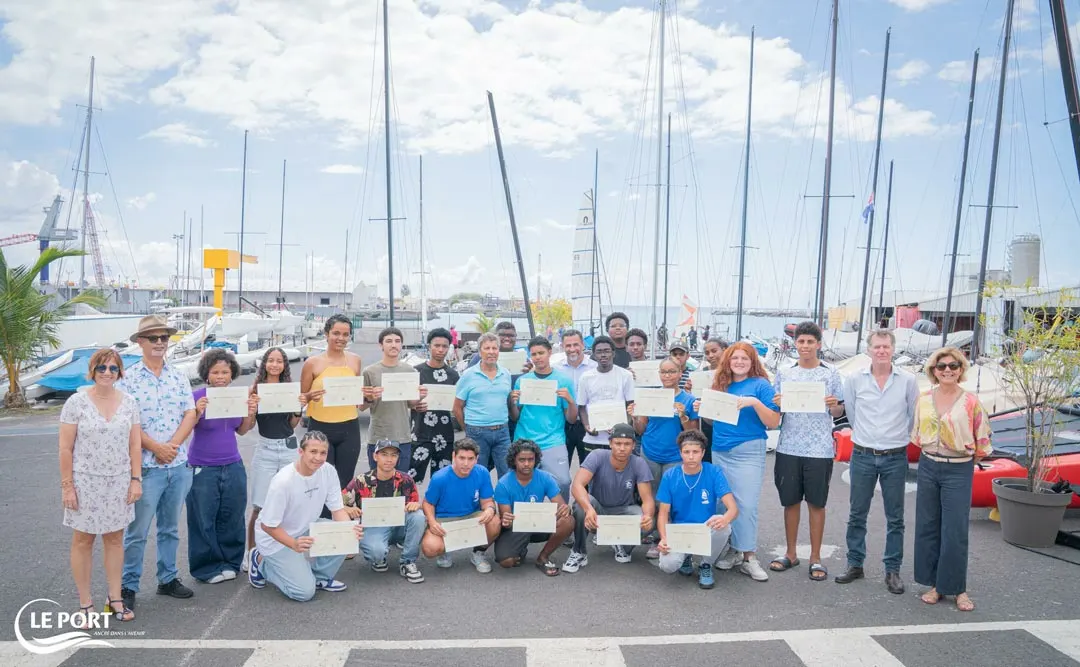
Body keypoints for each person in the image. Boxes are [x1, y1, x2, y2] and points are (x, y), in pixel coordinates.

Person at [117, 315, 198, 612]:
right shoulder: (127, 379)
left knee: (170, 528)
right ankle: (128, 585)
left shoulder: (178, 375)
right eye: (153, 338)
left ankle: (167, 579)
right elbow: (126, 422)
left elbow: (190, 413)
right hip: (147, 467)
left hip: (177, 465)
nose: (160, 343)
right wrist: (156, 448)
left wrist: (172, 447)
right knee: (137, 531)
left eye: (164, 338)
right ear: (140, 342)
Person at [59, 349, 142, 624]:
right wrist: (68, 486)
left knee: (115, 539)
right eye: (102, 368)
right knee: (83, 540)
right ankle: (85, 602)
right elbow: (65, 448)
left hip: (119, 481)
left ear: (120, 372)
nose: (107, 373)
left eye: (113, 368)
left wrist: (135, 479)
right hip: (85, 482)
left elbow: (135, 445)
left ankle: (115, 598)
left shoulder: (129, 402)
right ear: (92, 371)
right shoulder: (76, 403)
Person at [835, 329, 918, 594]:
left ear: (893, 349)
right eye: (877, 347)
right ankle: (854, 564)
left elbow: (912, 416)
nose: (881, 351)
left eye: (886, 346)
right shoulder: (854, 380)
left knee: (895, 517)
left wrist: (895, 438)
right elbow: (852, 413)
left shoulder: (907, 380)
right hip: (863, 454)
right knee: (857, 514)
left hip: (895, 456)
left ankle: (892, 570)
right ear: (868, 350)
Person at [911, 347, 991, 612]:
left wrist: (964, 462)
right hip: (928, 465)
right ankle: (934, 584)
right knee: (928, 526)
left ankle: (957, 588)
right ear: (933, 370)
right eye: (942, 366)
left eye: (953, 366)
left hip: (958, 468)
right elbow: (916, 433)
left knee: (954, 531)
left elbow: (982, 441)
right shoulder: (923, 399)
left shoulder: (970, 401)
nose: (947, 370)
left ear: (961, 369)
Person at [695, 342, 780, 582]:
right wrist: (705, 409)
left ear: (753, 361)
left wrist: (753, 402)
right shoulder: (721, 384)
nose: (739, 362)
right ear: (728, 361)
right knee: (725, 503)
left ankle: (749, 557)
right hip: (721, 450)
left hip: (748, 450)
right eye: (735, 358)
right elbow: (713, 422)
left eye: (745, 358)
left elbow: (773, 422)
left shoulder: (761, 385)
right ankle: (734, 549)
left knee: (747, 505)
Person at [769, 321, 845, 581]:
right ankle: (790, 553)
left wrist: (835, 405)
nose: (805, 346)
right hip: (789, 446)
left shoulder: (831, 373)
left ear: (818, 344)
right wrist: (778, 403)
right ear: (795, 343)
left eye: (810, 342)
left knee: (816, 503)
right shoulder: (785, 372)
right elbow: (776, 413)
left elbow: (838, 413)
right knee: (790, 502)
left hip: (820, 448)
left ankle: (815, 557)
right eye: (801, 341)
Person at [248, 431, 359, 600]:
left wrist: (349, 532)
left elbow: (337, 510)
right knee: (303, 593)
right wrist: (293, 543)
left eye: (323, 453)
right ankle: (261, 562)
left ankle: (319, 578)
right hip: (276, 539)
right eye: (313, 452)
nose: (318, 458)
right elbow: (267, 526)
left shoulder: (328, 471)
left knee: (345, 532)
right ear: (301, 452)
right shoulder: (283, 481)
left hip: (306, 527)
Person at [188, 349, 259, 583]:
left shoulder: (237, 397)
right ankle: (206, 568)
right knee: (203, 518)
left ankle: (230, 562)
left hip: (233, 463)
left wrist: (250, 412)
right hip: (202, 466)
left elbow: (242, 429)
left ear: (232, 374)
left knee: (232, 515)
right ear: (206, 374)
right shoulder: (197, 395)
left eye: (225, 372)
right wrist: (197, 412)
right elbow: (185, 428)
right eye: (215, 372)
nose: (220, 376)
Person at [244, 347, 306, 573]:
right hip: (266, 449)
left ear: (284, 365)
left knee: (289, 504)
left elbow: (290, 425)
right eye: (271, 361)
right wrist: (251, 410)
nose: (274, 365)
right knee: (259, 506)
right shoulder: (255, 389)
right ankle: (251, 553)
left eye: (279, 361)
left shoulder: (290, 389)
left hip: (289, 447)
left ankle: (284, 551)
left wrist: (299, 409)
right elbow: (249, 426)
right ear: (265, 364)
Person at [564, 423, 654, 573]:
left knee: (648, 520)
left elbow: (647, 499)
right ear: (610, 443)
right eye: (618, 443)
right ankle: (579, 551)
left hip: (623, 511)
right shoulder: (597, 455)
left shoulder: (639, 463)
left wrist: (648, 516)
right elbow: (577, 485)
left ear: (633, 446)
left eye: (627, 444)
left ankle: (621, 544)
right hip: (598, 510)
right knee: (580, 506)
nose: (622, 448)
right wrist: (589, 508)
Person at [632, 358, 698, 556]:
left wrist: (683, 416)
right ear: (659, 374)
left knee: (670, 499)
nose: (667, 376)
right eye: (664, 372)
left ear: (680, 373)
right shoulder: (650, 396)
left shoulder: (688, 399)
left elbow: (693, 433)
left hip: (674, 456)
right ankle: (654, 535)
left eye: (671, 372)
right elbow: (640, 429)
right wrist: (635, 416)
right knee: (650, 496)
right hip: (650, 453)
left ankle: (668, 538)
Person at [656, 430, 739, 590]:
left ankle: (706, 565)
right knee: (668, 565)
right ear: (680, 453)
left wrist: (725, 518)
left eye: (695, 452)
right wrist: (664, 538)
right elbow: (663, 514)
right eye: (686, 452)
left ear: (703, 453)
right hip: (680, 531)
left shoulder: (713, 472)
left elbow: (733, 509)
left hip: (705, 529)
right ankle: (685, 556)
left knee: (724, 526)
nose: (691, 456)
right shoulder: (670, 475)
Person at [300, 314, 363, 514]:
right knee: (319, 479)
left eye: (345, 334)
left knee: (344, 481)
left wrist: (366, 395)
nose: (340, 338)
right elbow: (302, 397)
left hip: (349, 428)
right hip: (320, 427)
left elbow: (357, 397)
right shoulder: (312, 363)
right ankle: (321, 523)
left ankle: (339, 526)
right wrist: (310, 396)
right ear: (326, 334)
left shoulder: (355, 361)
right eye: (336, 333)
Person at [342, 441, 426, 584]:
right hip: (374, 527)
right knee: (376, 553)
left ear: (398, 458)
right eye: (384, 454)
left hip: (399, 525)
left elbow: (415, 505)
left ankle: (407, 561)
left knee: (418, 517)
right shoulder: (361, 480)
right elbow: (338, 504)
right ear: (375, 456)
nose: (389, 459)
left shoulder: (406, 479)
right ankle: (378, 556)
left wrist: (416, 505)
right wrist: (348, 509)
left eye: (393, 455)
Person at [493, 440, 574, 576]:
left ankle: (543, 557)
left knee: (568, 520)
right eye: (522, 460)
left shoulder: (545, 477)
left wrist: (566, 509)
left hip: (539, 524)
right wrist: (506, 520)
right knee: (507, 562)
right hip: (516, 527)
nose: (526, 464)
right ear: (514, 460)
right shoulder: (503, 484)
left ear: (536, 460)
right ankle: (520, 549)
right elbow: (506, 521)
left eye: (530, 459)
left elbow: (561, 505)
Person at [509, 337, 577, 500]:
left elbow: (572, 419)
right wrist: (512, 402)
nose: (538, 357)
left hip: (553, 441)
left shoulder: (563, 380)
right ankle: (523, 521)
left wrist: (570, 401)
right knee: (522, 486)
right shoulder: (522, 381)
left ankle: (561, 521)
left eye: (541, 353)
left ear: (549, 353)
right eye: (534, 354)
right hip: (524, 440)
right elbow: (515, 416)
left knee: (563, 482)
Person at [420, 439, 502, 572]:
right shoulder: (440, 477)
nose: (466, 463)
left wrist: (490, 509)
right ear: (453, 456)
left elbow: (487, 501)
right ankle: (444, 552)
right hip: (445, 519)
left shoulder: (482, 473)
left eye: (470, 459)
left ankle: (478, 553)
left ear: (477, 459)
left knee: (495, 521)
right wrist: (432, 521)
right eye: (461, 458)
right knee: (430, 548)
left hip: (472, 516)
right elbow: (428, 503)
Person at [361, 327, 427, 475]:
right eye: (389, 341)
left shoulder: (410, 371)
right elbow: (361, 406)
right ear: (381, 345)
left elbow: (410, 404)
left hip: (402, 435)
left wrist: (420, 397)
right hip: (378, 435)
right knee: (377, 481)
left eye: (397, 341)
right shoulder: (370, 371)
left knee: (400, 482)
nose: (393, 345)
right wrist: (371, 397)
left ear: (401, 345)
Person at [454, 332, 513, 477]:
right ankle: (480, 500)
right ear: (480, 352)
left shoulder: (506, 374)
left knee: (507, 473)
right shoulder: (468, 375)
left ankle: (503, 500)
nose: (491, 352)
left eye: (494, 348)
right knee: (477, 474)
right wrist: (467, 429)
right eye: (487, 348)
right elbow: (457, 407)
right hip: (477, 431)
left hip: (502, 432)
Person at [411, 328, 460, 483]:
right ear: (429, 346)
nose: (440, 350)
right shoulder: (416, 372)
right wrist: (413, 406)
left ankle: (437, 508)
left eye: (444, 346)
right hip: (420, 433)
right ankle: (408, 507)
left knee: (442, 481)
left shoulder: (453, 375)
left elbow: (458, 404)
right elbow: (406, 400)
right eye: (436, 345)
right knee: (410, 479)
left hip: (445, 435)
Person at [577, 336, 635, 455]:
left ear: (613, 353)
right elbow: (581, 407)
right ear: (594, 355)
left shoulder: (625, 375)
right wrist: (587, 426)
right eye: (599, 352)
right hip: (594, 439)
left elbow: (631, 405)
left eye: (607, 351)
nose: (603, 355)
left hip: (618, 439)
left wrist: (622, 428)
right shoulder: (585, 377)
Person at [556, 329, 597, 466]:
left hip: (588, 424)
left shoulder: (595, 368)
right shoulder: (555, 369)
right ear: (562, 347)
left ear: (583, 345)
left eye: (576, 345)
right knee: (560, 468)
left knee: (588, 467)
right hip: (563, 425)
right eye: (568, 345)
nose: (572, 349)